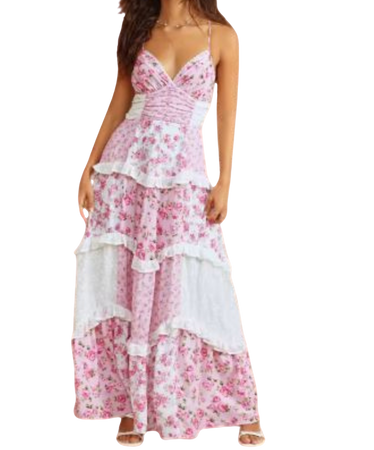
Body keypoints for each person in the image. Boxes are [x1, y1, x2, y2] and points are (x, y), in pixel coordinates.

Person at [71, 0, 267, 448]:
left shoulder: (223, 35)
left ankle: (241, 404)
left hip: (183, 175)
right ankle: (130, 404)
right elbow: (119, 100)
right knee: (125, 284)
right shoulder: (138, 29)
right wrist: (89, 165)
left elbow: (228, 115)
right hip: (127, 170)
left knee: (197, 282)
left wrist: (225, 181)